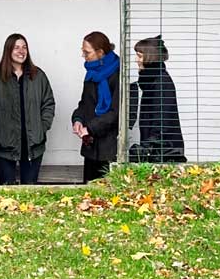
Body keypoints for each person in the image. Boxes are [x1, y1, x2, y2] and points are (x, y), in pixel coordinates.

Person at [0, 33, 55, 185]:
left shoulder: (38, 76)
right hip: (4, 145)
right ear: (8, 50)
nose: (21, 51)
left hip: (33, 144)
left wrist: (41, 128)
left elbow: (48, 103)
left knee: (30, 190)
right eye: (16, 47)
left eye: (24, 47)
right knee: (6, 190)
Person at [71, 30, 120, 183]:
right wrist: (78, 120)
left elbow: (116, 112)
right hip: (91, 146)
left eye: (87, 52)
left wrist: (90, 128)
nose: (83, 56)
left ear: (100, 52)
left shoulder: (119, 74)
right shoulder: (92, 73)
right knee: (88, 190)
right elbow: (84, 103)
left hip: (110, 147)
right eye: (83, 51)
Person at [129, 35, 186, 163]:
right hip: (158, 149)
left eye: (139, 56)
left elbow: (162, 120)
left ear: (150, 57)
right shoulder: (152, 80)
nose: (136, 60)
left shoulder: (161, 82)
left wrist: (148, 146)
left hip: (164, 152)